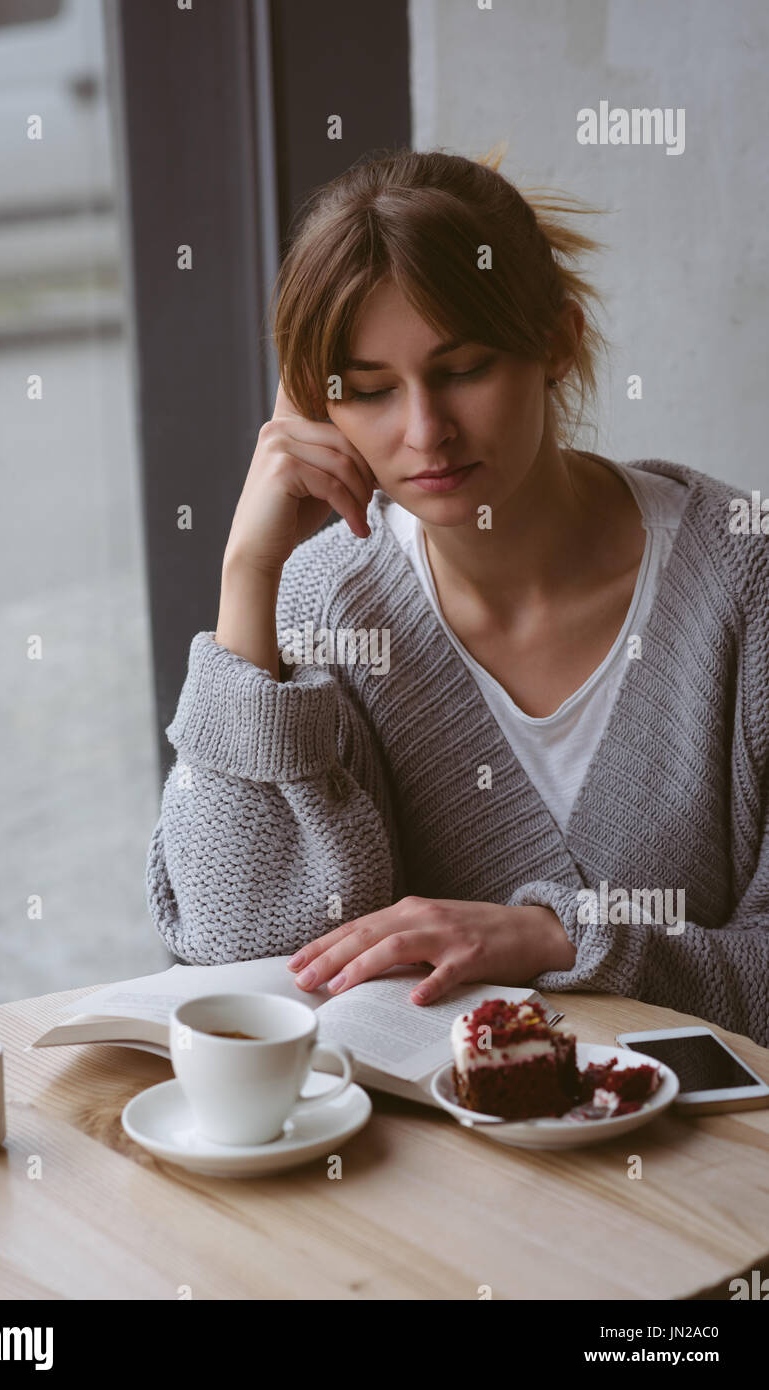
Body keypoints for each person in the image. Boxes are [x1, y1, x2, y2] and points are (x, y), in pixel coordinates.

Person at [145, 147, 769, 1046]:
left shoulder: (742, 580)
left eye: (464, 369)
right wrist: (247, 577)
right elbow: (240, 946)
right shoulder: (325, 608)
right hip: (429, 1176)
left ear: (556, 341)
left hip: (700, 1177)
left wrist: (558, 939)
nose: (424, 432)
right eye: (368, 391)